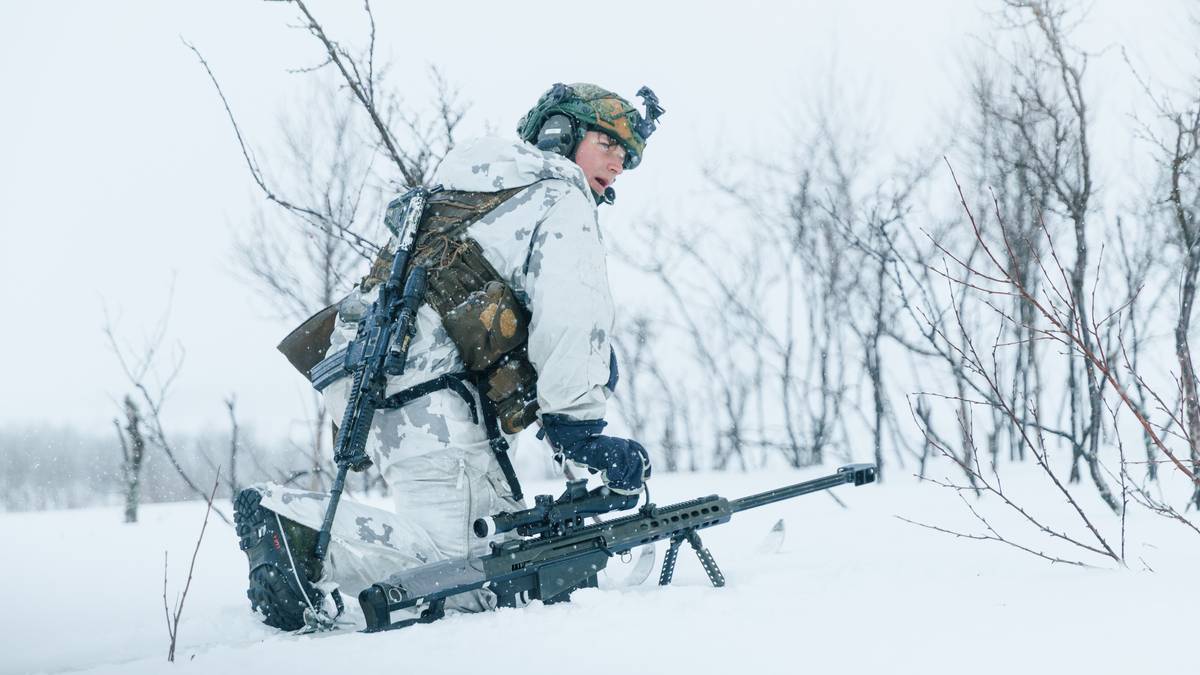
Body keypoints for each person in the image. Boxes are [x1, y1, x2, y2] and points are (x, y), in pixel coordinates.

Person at [235, 83, 662, 631]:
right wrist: (579, 426)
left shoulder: (467, 184)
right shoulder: (561, 196)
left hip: (381, 389)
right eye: (610, 144)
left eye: (629, 156)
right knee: (475, 580)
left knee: (506, 548)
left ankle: (310, 560)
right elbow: (570, 316)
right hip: (436, 403)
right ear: (561, 133)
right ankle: (298, 529)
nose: (619, 163)